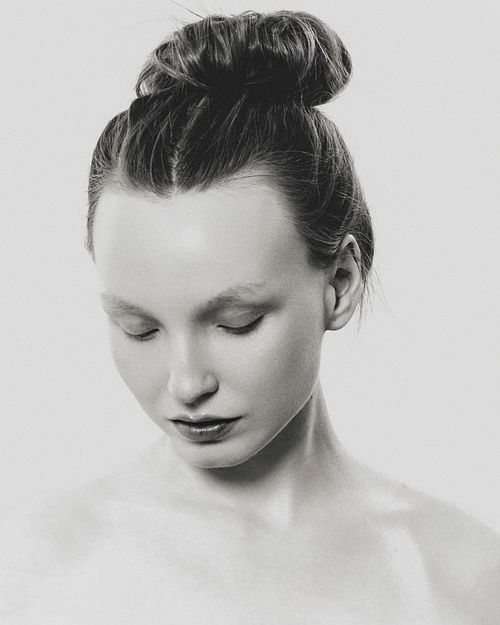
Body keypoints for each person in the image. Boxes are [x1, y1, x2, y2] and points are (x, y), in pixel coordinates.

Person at [1, 10, 499, 624]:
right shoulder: (33, 571)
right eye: (140, 328)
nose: (187, 384)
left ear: (340, 284)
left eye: (235, 323)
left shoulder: (464, 578)